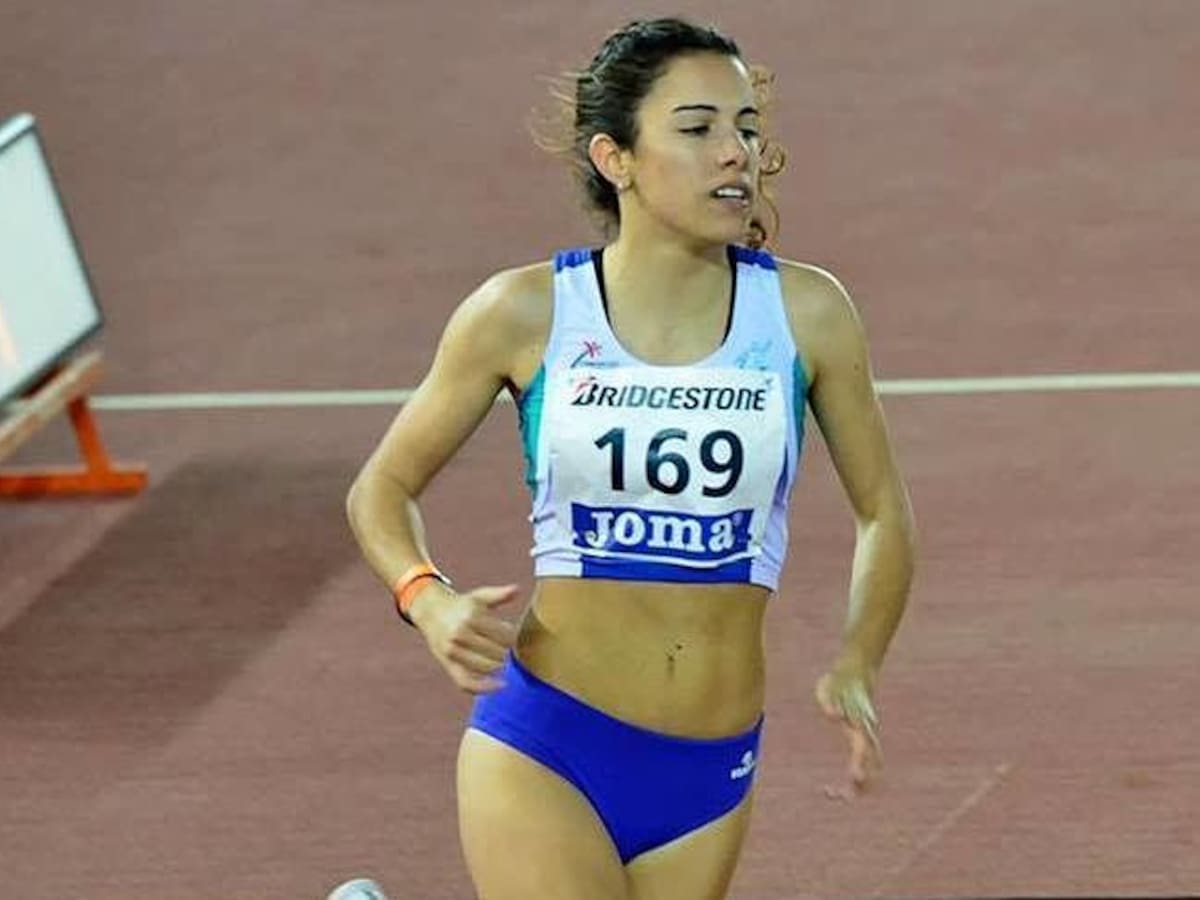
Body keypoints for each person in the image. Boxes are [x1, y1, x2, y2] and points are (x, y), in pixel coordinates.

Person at [346, 16, 915, 900]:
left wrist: (859, 662)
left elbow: (883, 511)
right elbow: (381, 488)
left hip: (709, 768)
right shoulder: (526, 312)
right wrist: (428, 599)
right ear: (615, 158)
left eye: (746, 127)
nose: (734, 153)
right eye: (697, 129)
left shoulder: (807, 316)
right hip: (550, 740)